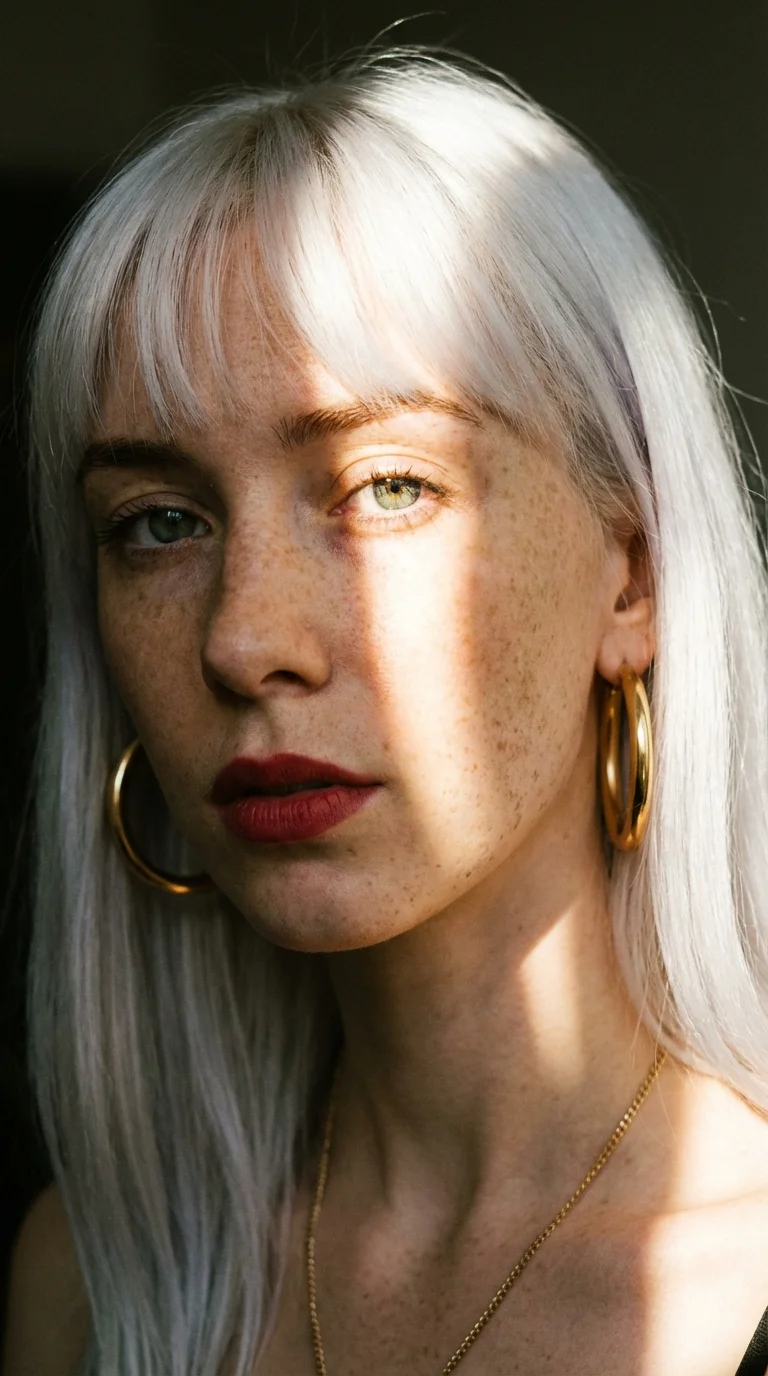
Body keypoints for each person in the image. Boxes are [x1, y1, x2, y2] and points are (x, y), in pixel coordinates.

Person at [3, 45, 768, 1376]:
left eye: (386, 487)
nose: (246, 641)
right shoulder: (90, 1281)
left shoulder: (738, 1267)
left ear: (630, 574)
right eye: (161, 523)